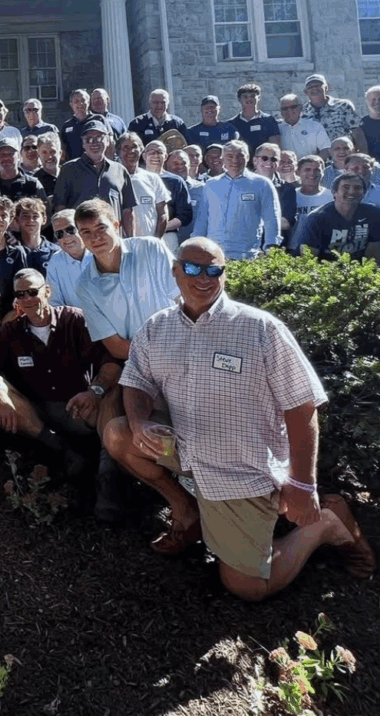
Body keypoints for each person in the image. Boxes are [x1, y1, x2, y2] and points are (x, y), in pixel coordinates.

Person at [104, 237, 375, 597]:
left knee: (247, 588)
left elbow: (302, 407)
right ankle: (187, 511)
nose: (204, 278)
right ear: (174, 271)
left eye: (214, 270)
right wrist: (139, 423)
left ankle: (325, 523)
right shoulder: (156, 328)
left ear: (225, 274)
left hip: (239, 471)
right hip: (186, 450)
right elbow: (136, 382)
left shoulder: (260, 329)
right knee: (119, 434)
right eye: (193, 268)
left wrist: (302, 484)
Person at [0, 268, 121, 509]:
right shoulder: (11, 331)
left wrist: (95, 392)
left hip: (79, 408)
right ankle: (65, 453)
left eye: (33, 292)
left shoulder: (76, 319)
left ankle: (108, 479)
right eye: (21, 295)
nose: (27, 299)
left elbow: (111, 361)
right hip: (37, 412)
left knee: (114, 395)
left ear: (47, 291)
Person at [73, 198, 179, 364]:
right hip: (138, 365)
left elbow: (184, 299)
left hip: (182, 349)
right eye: (86, 232)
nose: (95, 237)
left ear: (116, 226)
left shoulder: (152, 249)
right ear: (80, 236)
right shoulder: (84, 286)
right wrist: (163, 355)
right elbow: (117, 348)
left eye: (101, 228)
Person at [193, 141, 281, 259]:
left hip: (248, 255)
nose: (235, 160)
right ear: (222, 159)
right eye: (229, 156)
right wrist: (194, 245)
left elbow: (272, 218)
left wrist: (271, 247)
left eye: (240, 156)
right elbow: (202, 219)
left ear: (248, 157)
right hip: (214, 254)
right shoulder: (210, 185)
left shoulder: (262, 184)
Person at [52, 119, 135, 234]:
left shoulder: (120, 170)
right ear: (83, 143)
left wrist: (131, 240)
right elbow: (60, 208)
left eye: (99, 138)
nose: (94, 143)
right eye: (89, 139)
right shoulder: (68, 170)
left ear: (107, 140)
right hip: (81, 240)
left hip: (113, 239)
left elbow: (127, 212)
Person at [296, 172, 380, 261]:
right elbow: (308, 258)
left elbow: (374, 255)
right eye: (346, 187)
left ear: (364, 193)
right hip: (324, 270)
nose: (352, 192)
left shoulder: (373, 213)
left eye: (357, 188)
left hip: (358, 270)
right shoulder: (317, 218)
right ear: (334, 192)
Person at [116, 132, 169, 238]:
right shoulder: (112, 178)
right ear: (118, 152)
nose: (131, 151)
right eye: (126, 147)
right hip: (122, 245)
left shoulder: (153, 178)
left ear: (141, 150)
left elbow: (163, 214)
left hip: (149, 243)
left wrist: (156, 240)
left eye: (135, 146)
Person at [0, 140, 47, 212]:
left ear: (19, 156)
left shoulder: (33, 184)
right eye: (2, 154)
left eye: (10, 154)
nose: (6, 158)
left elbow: (45, 214)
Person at [301, 73, 366, 150]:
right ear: (306, 92)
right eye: (310, 87)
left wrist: (363, 155)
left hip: (343, 155)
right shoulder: (302, 112)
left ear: (326, 88)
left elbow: (357, 133)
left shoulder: (343, 105)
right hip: (316, 158)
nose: (314, 88)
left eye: (318, 85)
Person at [45, 208, 86, 307]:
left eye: (70, 230)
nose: (66, 237)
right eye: (59, 234)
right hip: (76, 321)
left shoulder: (99, 252)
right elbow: (54, 303)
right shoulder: (55, 263)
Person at [228, 83, 281, 154]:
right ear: (239, 100)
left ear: (258, 98)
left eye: (252, 96)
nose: (249, 99)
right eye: (245, 97)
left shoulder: (269, 120)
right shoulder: (231, 124)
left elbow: (275, 147)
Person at [278, 94, 330, 161]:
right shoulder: (277, 128)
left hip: (310, 169)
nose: (289, 110)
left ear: (300, 108)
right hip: (286, 169)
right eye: (285, 108)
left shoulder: (314, 126)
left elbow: (325, 149)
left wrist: (314, 165)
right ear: (281, 111)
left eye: (293, 107)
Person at [14, 196, 57, 272]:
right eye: (25, 216)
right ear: (17, 220)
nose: (30, 220)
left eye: (35, 216)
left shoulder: (55, 252)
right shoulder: (11, 251)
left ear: (44, 219)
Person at [60, 89, 96, 161]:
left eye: (83, 100)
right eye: (76, 101)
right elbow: (63, 152)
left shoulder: (97, 120)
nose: (80, 104)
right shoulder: (66, 126)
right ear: (71, 104)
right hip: (74, 168)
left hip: (94, 167)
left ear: (88, 103)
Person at [359, 85, 380, 162]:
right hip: (370, 168)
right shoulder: (359, 125)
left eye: (379, 99)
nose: (377, 102)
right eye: (373, 99)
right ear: (366, 101)